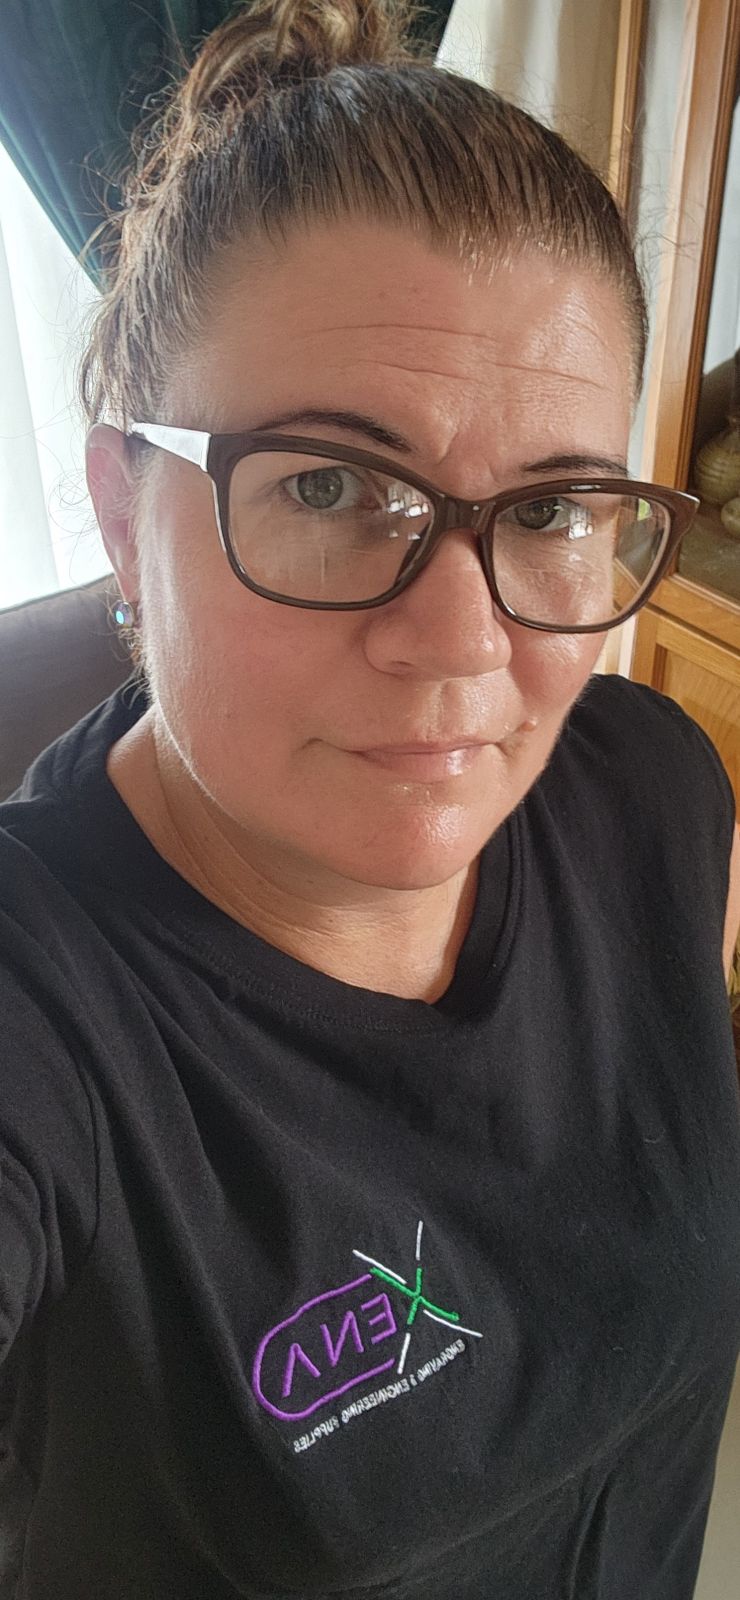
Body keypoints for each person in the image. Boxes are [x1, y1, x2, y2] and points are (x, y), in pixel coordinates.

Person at [1, 2, 739, 1595]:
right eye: (331, 487)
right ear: (125, 514)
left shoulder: (653, 789)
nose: (462, 642)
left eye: (553, 507)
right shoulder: (42, 1019)